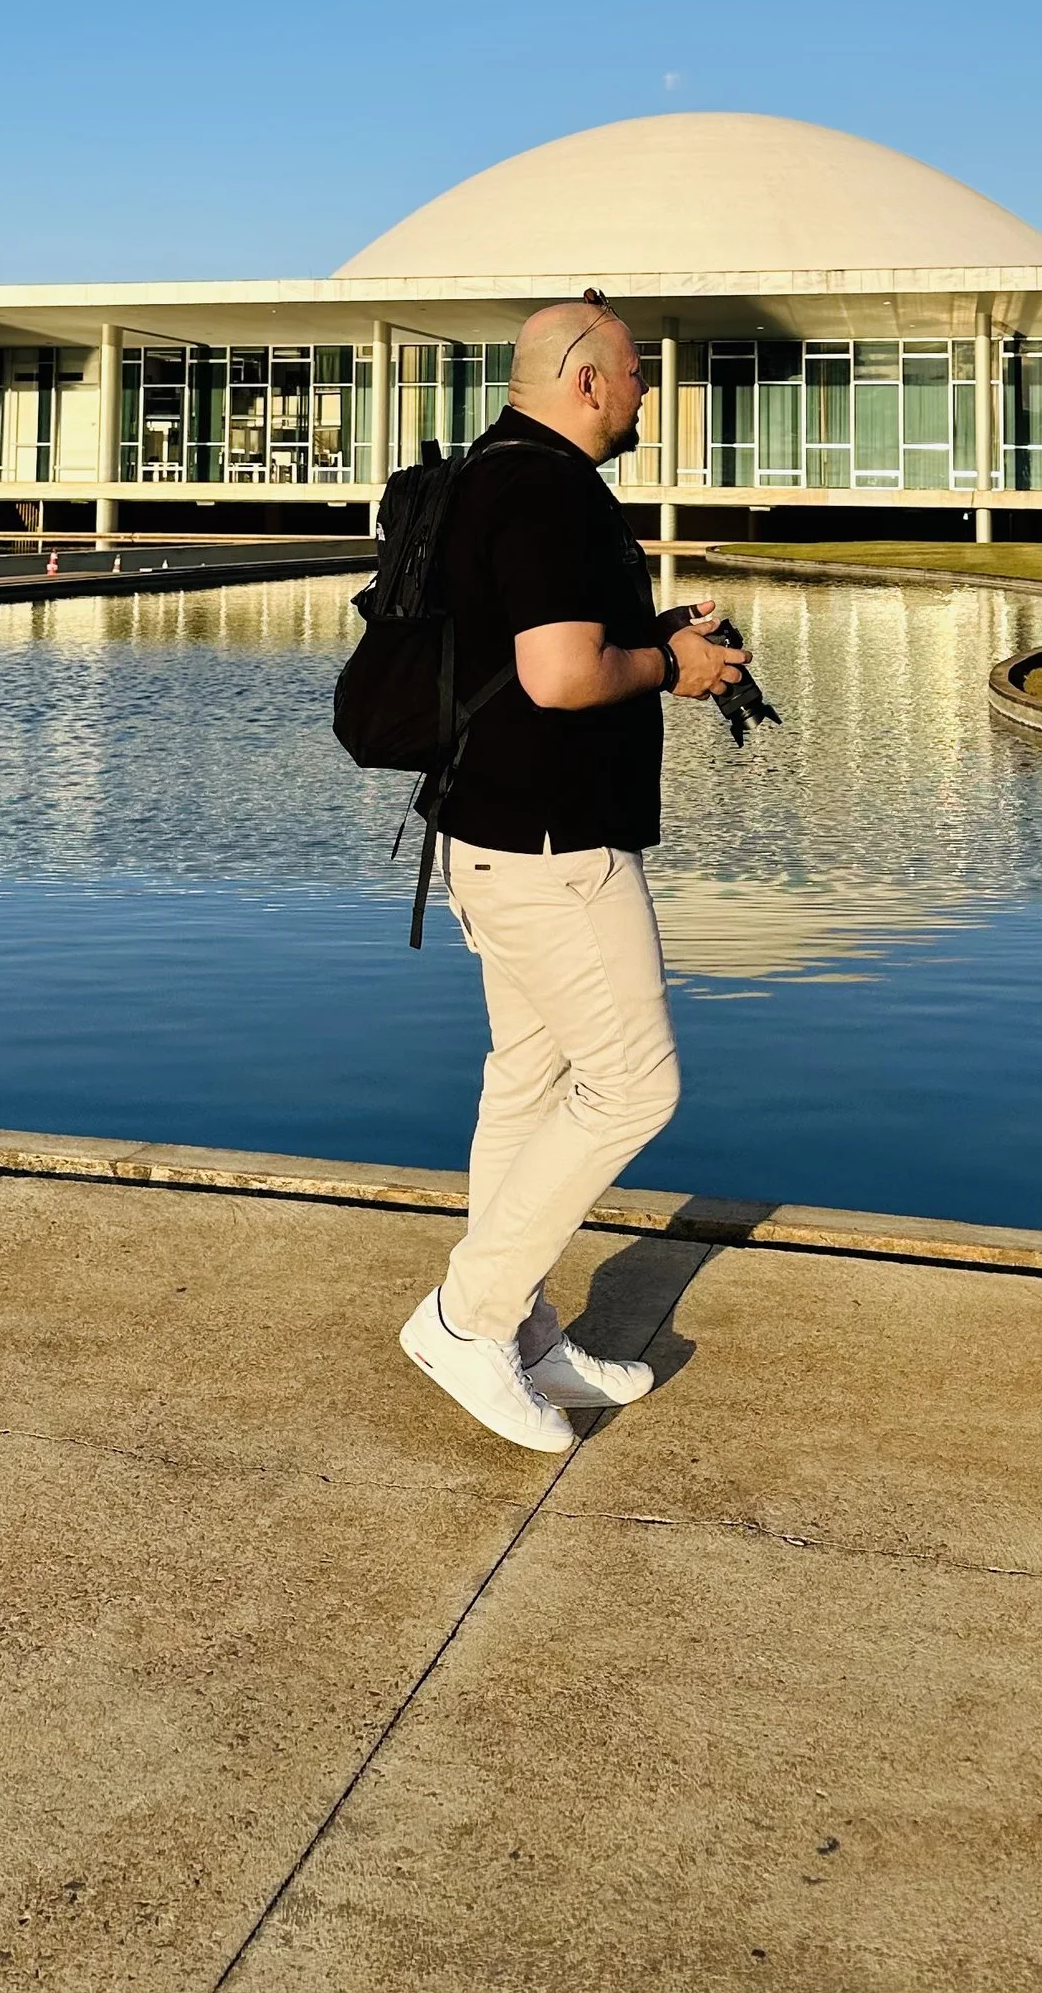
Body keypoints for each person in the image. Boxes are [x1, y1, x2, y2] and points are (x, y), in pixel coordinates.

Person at [397, 292, 749, 1454]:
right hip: (554, 850)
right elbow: (556, 678)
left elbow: (537, 650)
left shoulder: (491, 476)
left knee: (529, 1083)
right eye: (639, 373)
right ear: (586, 379)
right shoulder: (545, 490)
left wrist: (651, 632)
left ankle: (523, 1331)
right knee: (631, 1088)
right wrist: (673, 665)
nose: (649, 391)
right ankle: (468, 1317)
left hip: (491, 836)